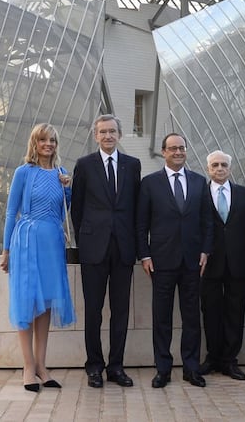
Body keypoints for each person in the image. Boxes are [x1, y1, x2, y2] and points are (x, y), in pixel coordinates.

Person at [0, 123, 76, 392]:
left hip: (52, 241)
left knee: (45, 305)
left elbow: (66, 208)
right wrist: (6, 249)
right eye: (43, 140)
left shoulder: (61, 172)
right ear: (35, 143)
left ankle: (42, 367)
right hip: (28, 240)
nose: (49, 144)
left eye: (53, 140)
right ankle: (28, 367)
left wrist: (68, 187)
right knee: (27, 303)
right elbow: (11, 212)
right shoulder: (24, 172)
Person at [136, 133, 213, 388]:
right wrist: (145, 255)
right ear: (163, 152)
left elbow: (207, 222)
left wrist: (205, 251)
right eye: (173, 148)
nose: (178, 152)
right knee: (162, 318)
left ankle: (191, 369)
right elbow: (141, 224)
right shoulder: (149, 183)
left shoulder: (200, 182)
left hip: (192, 261)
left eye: (182, 148)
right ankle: (163, 370)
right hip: (161, 262)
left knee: (192, 318)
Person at [71, 114, 141, 388]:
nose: (108, 136)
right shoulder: (84, 165)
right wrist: (85, 240)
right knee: (94, 311)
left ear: (119, 135)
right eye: (103, 132)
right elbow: (77, 208)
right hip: (94, 249)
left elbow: (136, 208)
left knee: (121, 311)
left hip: (123, 248)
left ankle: (116, 367)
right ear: (95, 135)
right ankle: (94, 367)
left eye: (113, 131)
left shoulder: (132, 166)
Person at [200, 150, 245, 380]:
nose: (219, 169)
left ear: (230, 168)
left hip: (238, 263)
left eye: (223, 165)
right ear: (208, 169)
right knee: (210, 312)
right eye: (215, 165)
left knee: (235, 312)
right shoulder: (199, 193)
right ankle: (212, 357)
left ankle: (230, 360)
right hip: (209, 263)